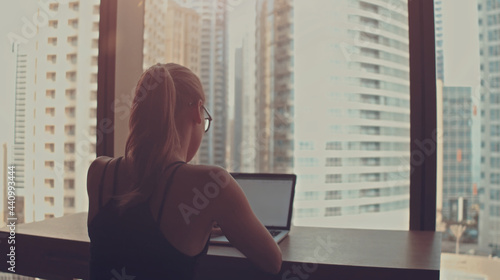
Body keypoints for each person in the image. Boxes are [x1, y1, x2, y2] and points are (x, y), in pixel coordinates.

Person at [86, 63, 282, 279]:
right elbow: (272, 261)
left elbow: (131, 237)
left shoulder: (99, 172)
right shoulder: (212, 183)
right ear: (197, 112)